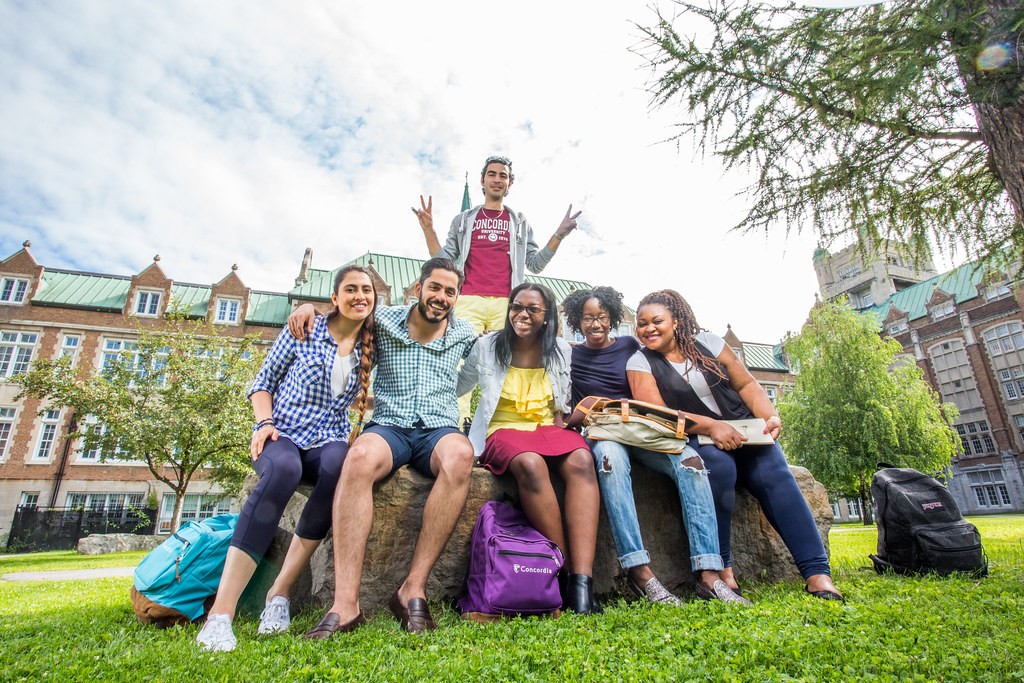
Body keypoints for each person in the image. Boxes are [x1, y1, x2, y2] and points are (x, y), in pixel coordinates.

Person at [287, 257, 477, 637]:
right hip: (389, 426)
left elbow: (506, 347)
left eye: (450, 291)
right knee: (357, 458)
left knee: (461, 455)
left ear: (457, 297)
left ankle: (412, 590)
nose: (441, 297)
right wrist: (310, 308)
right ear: (419, 287)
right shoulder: (385, 319)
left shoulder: (465, 334)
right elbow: (346, 316)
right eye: (435, 287)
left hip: (438, 429)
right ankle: (345, 604)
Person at [195, 265, 377, 652]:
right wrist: (264, 422)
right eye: (351, 289)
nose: (360, 296)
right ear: (335, 298)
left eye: (367, 290)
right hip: (283, 432)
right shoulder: (304, 329)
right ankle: (220, 614)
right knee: (284, 471)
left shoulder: (371, 345)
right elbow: (262, 382)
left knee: (337, 468)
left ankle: (279, 594)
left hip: (328, 438)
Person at [627, 289, 844, 601]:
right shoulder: (640, 362)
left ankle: (816, 572)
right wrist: (712, 427)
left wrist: (769, 416)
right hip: (697, 437)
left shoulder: (711, 344)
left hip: (746, 431)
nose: (648, 329)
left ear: (676, 320)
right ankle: (723, 569)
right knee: (718, 467)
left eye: (656, 321)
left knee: (774, 472)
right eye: (641, 323)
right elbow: (661, 415)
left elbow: (746, 384)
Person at [562, 287, 748, 605]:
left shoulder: (630, 346)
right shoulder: (570, 353)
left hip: (645, 429)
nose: (595, 324)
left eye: (602, 317)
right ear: (577, 321)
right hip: (605, 433)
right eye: (588, 318)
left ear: (612, 318)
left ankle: (708, 574)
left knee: (692, 463)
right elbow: (564, 405)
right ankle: (640, 572)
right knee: (610, 462)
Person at [458, 283, 601, 613]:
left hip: (548, 427)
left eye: (532, 309)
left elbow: (564, 399)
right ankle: (562, 574)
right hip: (502, 431)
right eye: (516, 307)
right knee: (531, 464)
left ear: (547, 316)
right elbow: (458, 384)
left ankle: (583, 583)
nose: (521, 314)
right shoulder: (487, 345)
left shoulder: (562, 349)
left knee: (582, 459)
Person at [413, 155, 582, 425]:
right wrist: (428, 229)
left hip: (509, 304)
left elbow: (535, 264)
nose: (497, 179)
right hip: (469, 299)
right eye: (492, 174)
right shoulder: (464, 220)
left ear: (509, 183)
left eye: (503, 175)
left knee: (507, 363)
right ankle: (449, 426)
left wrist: (559, 234)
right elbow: (444, 261)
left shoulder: (520, 222)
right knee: (455, 361)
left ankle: (502, 427)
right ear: (483, 180)